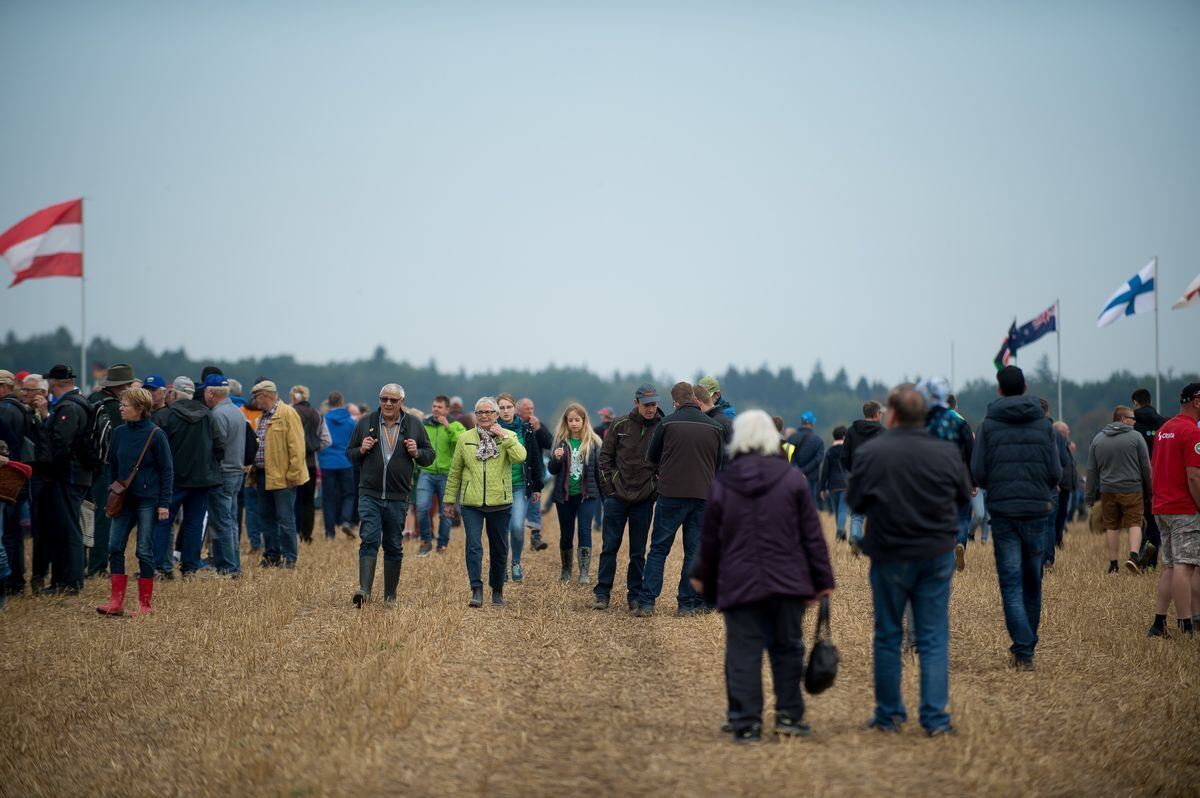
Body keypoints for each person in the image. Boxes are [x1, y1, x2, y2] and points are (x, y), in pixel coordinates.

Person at [692, 410, 834, 743]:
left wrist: (702, 577)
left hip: (739, 582)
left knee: (743, 651)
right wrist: (822, 580)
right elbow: (812, 536)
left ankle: (746, 723)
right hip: (789, 582)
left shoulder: (724, 483)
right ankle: (788, 716)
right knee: (787, 649)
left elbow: (711, 538)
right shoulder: (792, 479)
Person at [847, 385, 971, 736]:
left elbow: (855, 501)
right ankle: (935, 718)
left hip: (889, 552)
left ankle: (888, 715)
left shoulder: (874, 451)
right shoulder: (946, 451)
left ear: (893, 414)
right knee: (932, 637)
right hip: (935, 551)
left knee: (888, 634)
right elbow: (963, 496)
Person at [970, 365, 1061, 670]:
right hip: (1037, 510)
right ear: (1025, 388)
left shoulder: (988, 425)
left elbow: (978, 472)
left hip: (1005, 511)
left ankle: (1023, 648)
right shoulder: (1044, 425)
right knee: (1032, 580)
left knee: (1011, 583)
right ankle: (1026, 646)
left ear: (999, 390)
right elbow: (1055, 472)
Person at [634, 382, 725, 617]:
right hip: (702, 496)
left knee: (658, 550)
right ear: (695, 399)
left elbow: (651, 457)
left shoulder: (667, 423)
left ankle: (646, 602)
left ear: (675, 402)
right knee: (693, 552)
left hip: (671, 494)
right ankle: (686, 604)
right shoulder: (715, 427)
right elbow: (718, 465)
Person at [345, 384, 434, 608]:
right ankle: (364, 590)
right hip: (369, 493)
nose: (388, 404)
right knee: (369, 538)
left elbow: (429, 456)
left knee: (393, 544)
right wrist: (362, 449)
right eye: (384, 399)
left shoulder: (413, 423)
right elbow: (350, 454)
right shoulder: (365, 422)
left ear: (401, 401)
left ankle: (390, 596)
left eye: (393, 400)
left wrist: (417, 452)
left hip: (398, 495)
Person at [442, 397, 527, 608]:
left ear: (497, 415)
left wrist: (503, 436)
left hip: (501, 501)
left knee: (499, 548)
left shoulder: (509, 436)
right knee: (473, 546)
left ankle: (497, 590)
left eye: (489, 412)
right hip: (472, 503)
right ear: (475, 415)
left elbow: (520, 457)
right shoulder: (465, 438)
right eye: (480, 412)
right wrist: (449, 500)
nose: (484, 416)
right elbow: (455, 472)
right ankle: (476, 590)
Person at [97, 387, 173, 616]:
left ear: (140, 409)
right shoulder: (119, 432)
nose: (121, 408)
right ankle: (116, 602)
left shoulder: (156, 434)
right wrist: (113, 494)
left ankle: (144, 605)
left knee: (144, 551)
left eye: (125, 405)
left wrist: (164, 503)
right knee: (114, 546)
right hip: (124, 500)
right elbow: (112, 466)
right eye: (121, 404)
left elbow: (167, 470)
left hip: (148, 501)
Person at [594, 384, 662, 611]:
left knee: (638, 552)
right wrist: (609, 490)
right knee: (609, 547)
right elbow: (604, 458)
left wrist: (654, 490)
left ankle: (634, 595)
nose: (651, 409)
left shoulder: (663, 427)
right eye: (646, 405)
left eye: (653, 404)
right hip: (617, 497)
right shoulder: (619, 424)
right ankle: (602, 593)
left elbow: (666, 462)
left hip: (644, 498)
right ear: (636, 403)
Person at [32, 364, 94, 595]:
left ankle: (71, 582)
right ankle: (63, 580)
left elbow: (62, 444)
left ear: (55, 383)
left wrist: (50, 468)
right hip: (77, 474)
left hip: (68, 475)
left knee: (69, 529)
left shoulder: (68, 406)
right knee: (65, 527)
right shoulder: (79, 402)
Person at [152, 377, 222, 577]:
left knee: (164, 522)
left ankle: (162, 567)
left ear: (173, 394)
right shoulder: (207, 416)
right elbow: (220, 446)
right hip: (202, 480)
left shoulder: (164, 416)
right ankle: (190, 567)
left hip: (173, 480)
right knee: (193, 523)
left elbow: (155, 450)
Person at [1145, 383, 1200, 637]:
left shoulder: (1164, 429)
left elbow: (1154, 469)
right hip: (1184, 508)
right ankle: (1186, 624)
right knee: (1184, 566)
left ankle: (1159, 623)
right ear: (1197, 402)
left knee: (1169, 566)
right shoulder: (1192, 432)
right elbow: (1194, 478)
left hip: (1162, 506)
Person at [916, 376, 975, 572]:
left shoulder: (924, 422)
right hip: (958, 477)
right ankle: (960, 542)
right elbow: (971, 453)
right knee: (963, 515)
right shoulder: (961, 423)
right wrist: (974, 481)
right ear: (954, 406)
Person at [1085, 405, 1152, 574]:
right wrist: (1150, 490)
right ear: (1123, 419)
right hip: (1132, 488)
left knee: (1112, 526)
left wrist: (1089, 496)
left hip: (1107, 490)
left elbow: (1091, 470)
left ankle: (1113, 564)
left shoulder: (1098, 439)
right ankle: (1133, 556)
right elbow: (1146, 466)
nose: (1135, 422)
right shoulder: (1136, 437)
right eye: (1132, 418)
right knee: (1135, 522)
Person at [249, 380, 308, 568]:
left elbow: (297, 448)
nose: (256, 402)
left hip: (284, 476)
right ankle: (272, 555)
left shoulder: (288, 414)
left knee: (285, 518)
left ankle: (290, 558)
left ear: (266, 396)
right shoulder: (262, 417)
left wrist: (293, 474)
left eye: (257, 397)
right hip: (263, 474)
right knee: (266, 517)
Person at [85, 362, 136, 577]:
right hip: (106, 468)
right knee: (104, 517)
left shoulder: (92, 400)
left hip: (88, 466)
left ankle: (83, 564)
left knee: (87, 516)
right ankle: (97, 566)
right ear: (123, 386)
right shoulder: (115, 408)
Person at [547, 403, 604, 584]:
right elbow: (552, 470)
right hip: (564, 497)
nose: (573, 423)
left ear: (584, 421)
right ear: (566, 422)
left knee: (585, 531)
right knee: (566, 533)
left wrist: (605, 498)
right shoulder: (560, 442)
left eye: (577, 420)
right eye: (570, 420)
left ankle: (584, 572)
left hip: (587, 496)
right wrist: (556, 459)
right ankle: (566, 570)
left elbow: (599, 472)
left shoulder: (594, 443)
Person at [497, 393, 542, 582]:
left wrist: (537, 486)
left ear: (514, 408)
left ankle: (515, 562)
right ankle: (501, 567)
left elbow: (535, 457)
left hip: (519, 486)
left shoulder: (526, 429)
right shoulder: (491, 429)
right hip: (497, 487)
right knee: (501, 530)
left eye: (508, 407)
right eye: (502, 407)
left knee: (516, 526)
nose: (505, 411)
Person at [203, 375, 246, 576]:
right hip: (237, 472)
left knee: (221, 524)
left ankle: (227, 567)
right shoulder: (237, 412)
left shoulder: (218, 415)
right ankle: (234, 564)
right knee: (231, 522)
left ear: (211, 392)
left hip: (223, 473)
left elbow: (216, 446)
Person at [415, 395, 467, 556]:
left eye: (439, 407)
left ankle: (442, 544)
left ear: (447, 409)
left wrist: (448, 428)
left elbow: (463, 443)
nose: (436, 409)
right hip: (427, 473)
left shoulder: (456, 425)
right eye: (434, 406)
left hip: (447, 475)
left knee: (446, 512)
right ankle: (425, 540)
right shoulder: (424, 424)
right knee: (422, 508)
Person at [0, 370, 35, 595]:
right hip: (17, 476)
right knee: (12, 534)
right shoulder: (23, 409)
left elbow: (10, 446)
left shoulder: (5, 409)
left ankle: (9, 584)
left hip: (7, 478)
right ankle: (15, 582)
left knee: (7, 535)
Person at [1132, 387, 1167, 569]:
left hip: (1136, 479)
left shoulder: (1132, 426)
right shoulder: (1164, 423)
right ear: (1151, 402)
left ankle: (1141, 552)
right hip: (1160, 477)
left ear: (1135, 403)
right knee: (1155, 519)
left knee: (1137, 519)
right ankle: (1152, 560)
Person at [289, 385, 328, 545]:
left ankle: (296, 531)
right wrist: (314, 447)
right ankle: (307, 534)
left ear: (293, 397)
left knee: (294, 500)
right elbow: (327, 440)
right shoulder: (316, 414)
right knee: (308, 501)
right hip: (311, 462)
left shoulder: (289, 412)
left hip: (292, 462)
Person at [319, 391, 358, 541]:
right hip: (345, 462)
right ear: (342, 403)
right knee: (348, 495)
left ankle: (330, 533)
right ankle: (346, 520)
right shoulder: (351, 422)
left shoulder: (323, 420)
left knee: (328, 498)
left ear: (329, 403)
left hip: (327, 463)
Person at [517, 397, 553, 550]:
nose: (530, 411)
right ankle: (515, 536)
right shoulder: (514, 426)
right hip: (517, 473)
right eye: (527, 408)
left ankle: (535, 537)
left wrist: (539, 428)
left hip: (534, 471)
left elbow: (549, 443)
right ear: (518, 410)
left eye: (532, 408)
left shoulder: (538, 425)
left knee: (535, 503)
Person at [1049, 421, 1076, 565]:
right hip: (1059, 485)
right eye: (1066, 429)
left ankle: (1058, 540)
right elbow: (1060, 463)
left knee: (1061, 516)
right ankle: (1054, 543)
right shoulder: (1058, 440)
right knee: (1055, 518)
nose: (1069, 432)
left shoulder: (1065, 443)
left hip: (1065, 485)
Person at [818, 426, 849, 540]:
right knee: (843, 510)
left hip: (833, 485)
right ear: (845, 437)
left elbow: (825, 470)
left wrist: (821, 488)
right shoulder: (848, 451)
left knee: (837, 510)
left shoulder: (830, 451)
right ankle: (841, 530)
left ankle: (840, 532)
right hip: (846, 484)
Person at [787, 412, 824, 502]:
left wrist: (799, 471)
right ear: (812, 423)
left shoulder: (791, 439)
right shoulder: (818, 441)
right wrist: (805, 471)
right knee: (811, 504)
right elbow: (818, 459)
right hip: (812, 477)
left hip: (794, 476)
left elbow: (788, 457)